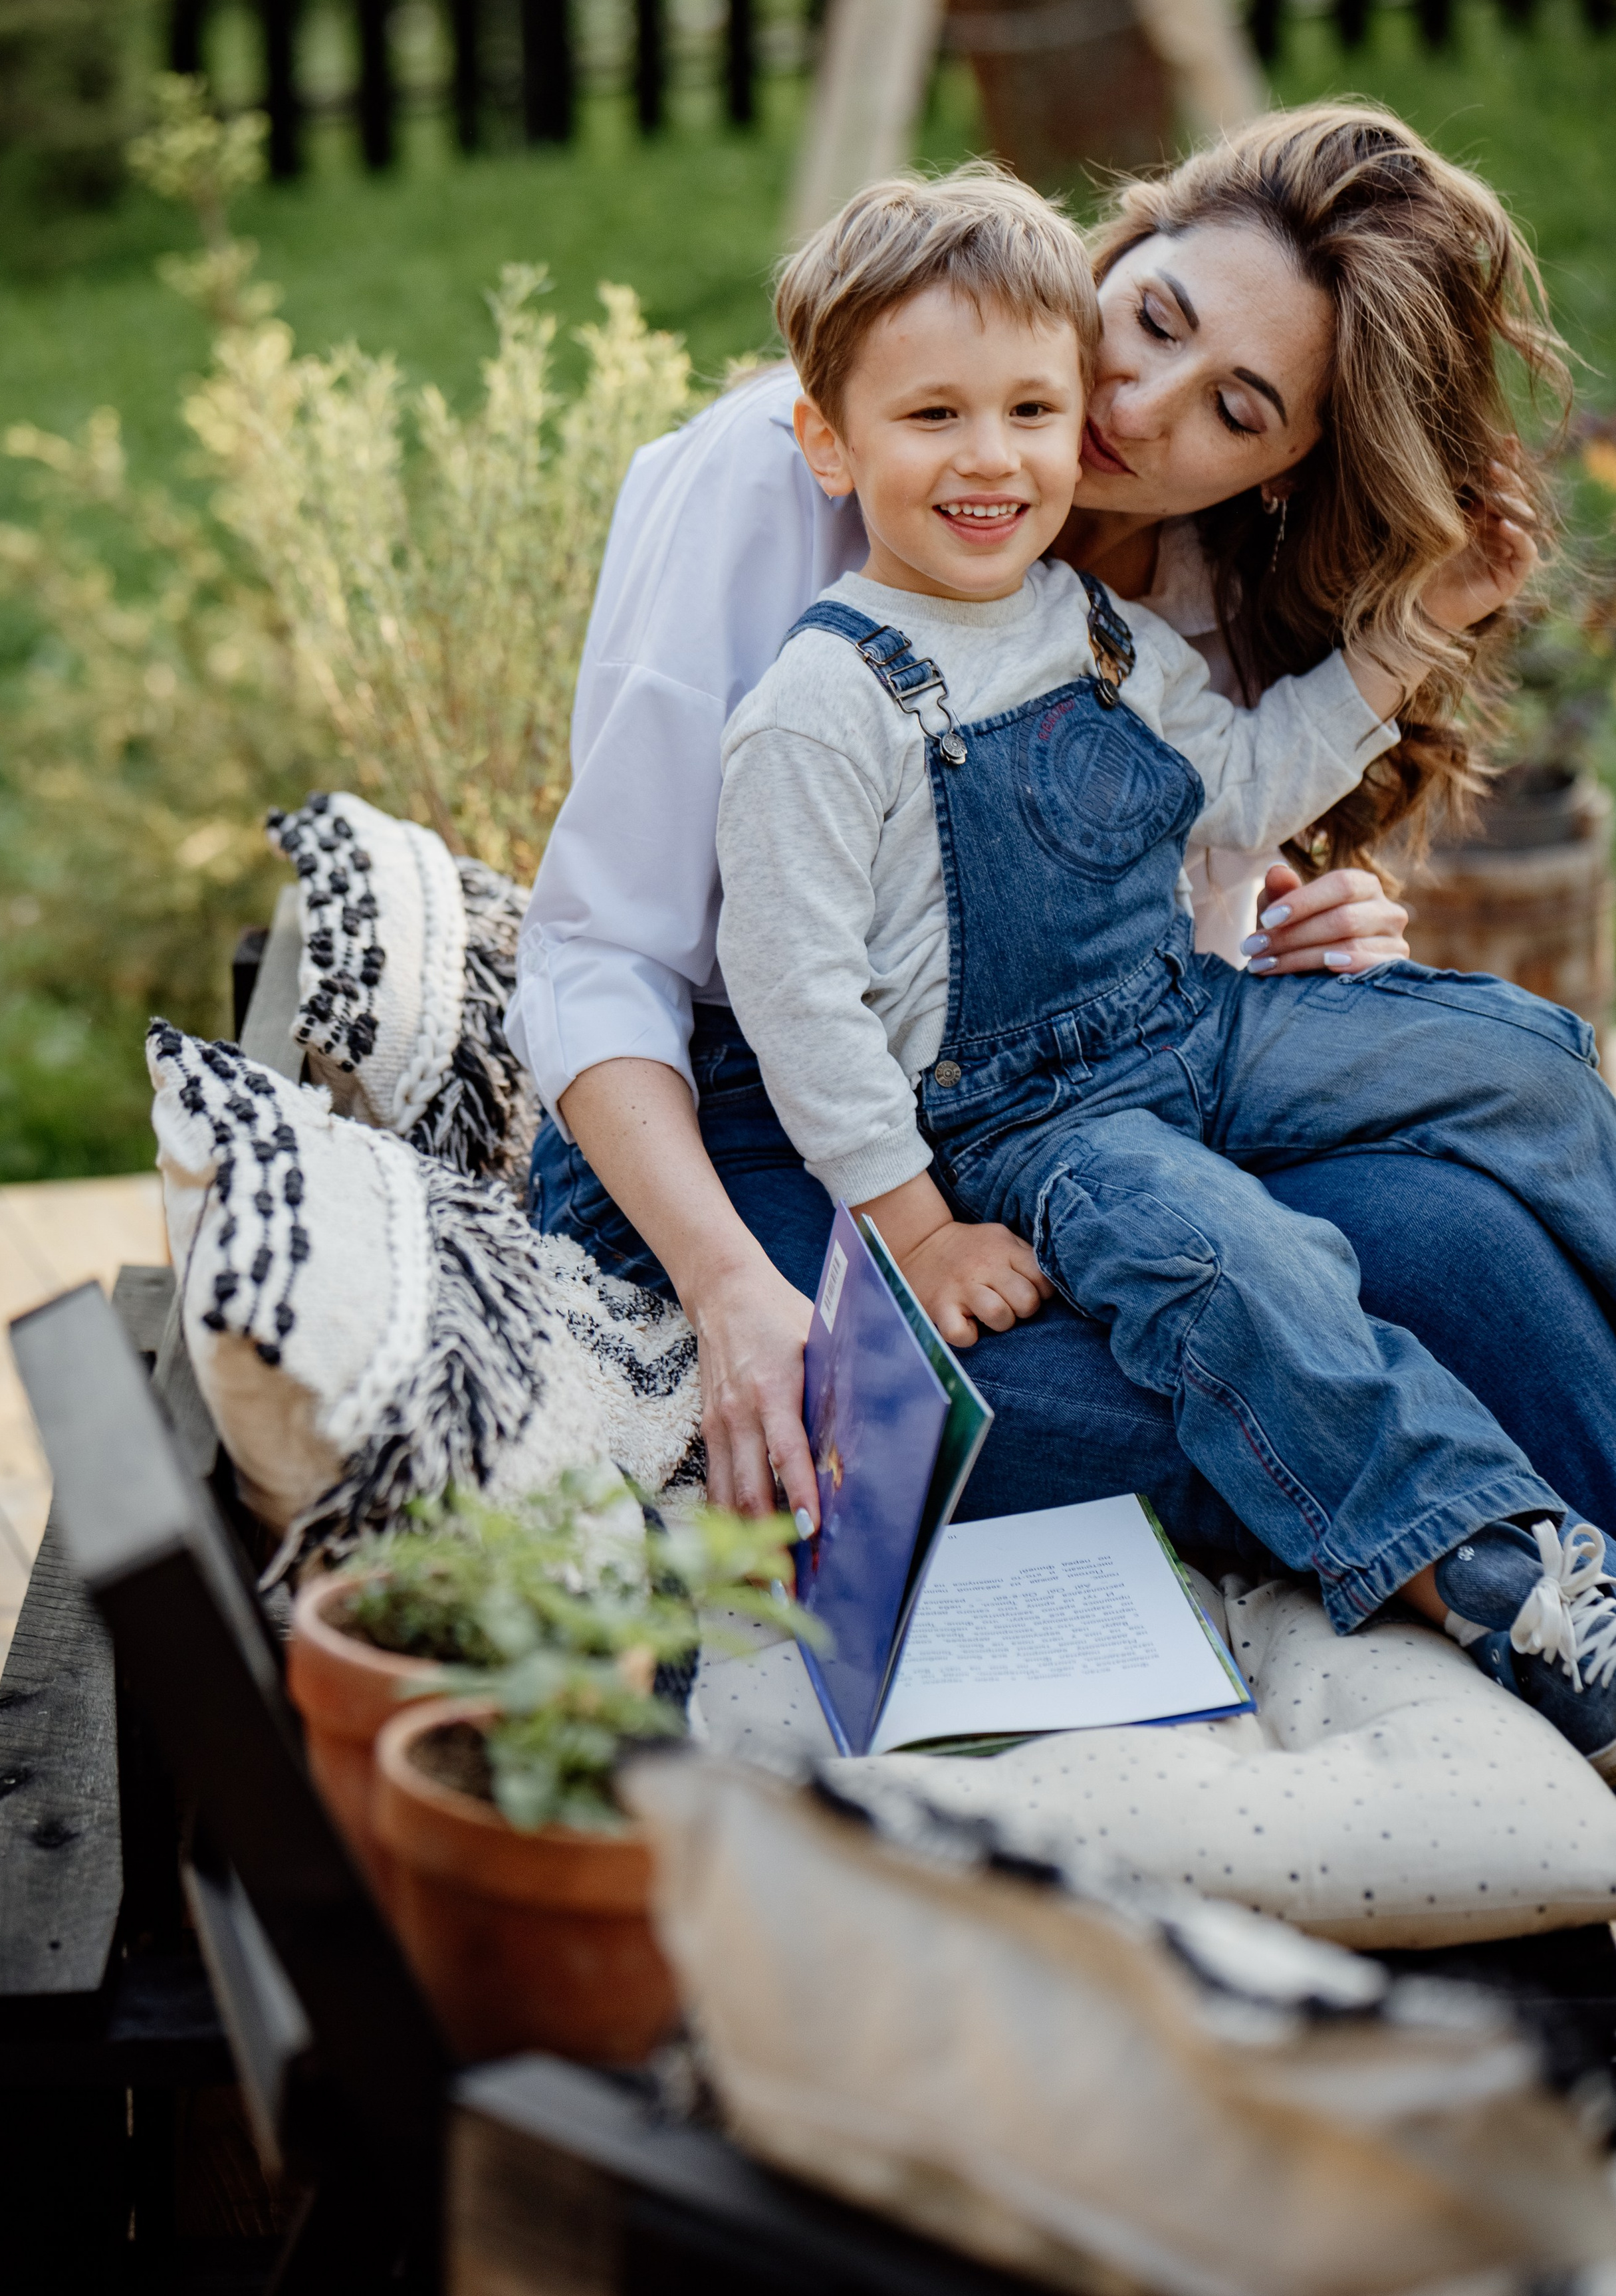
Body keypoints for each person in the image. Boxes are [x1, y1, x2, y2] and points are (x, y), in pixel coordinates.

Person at [510, 104, 1616, 1593]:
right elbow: (598, 952)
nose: (1141, 406)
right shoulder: (779, 475)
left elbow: (1149, 926)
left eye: (1235, 410)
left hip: (1067, 1128)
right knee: (1139, 1408)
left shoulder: (1185, 599)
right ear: (1119, 241)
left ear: (1281, 467)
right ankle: (1471, 1549)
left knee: (1466, 1250)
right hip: (746, 1117)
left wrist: (1283, 941)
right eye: (1148, 319)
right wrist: (730, 1286)